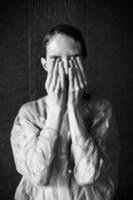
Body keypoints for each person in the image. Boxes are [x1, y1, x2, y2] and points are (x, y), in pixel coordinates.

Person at [10, 24, 120, 200]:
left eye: (74, 59)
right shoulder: (28, 113)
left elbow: (89, 175)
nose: (65, 68)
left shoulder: (101, 109)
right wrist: (56, 110)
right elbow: (39, 176)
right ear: (45, 64)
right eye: (56, 59)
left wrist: (74, 110)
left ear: (83, 62)